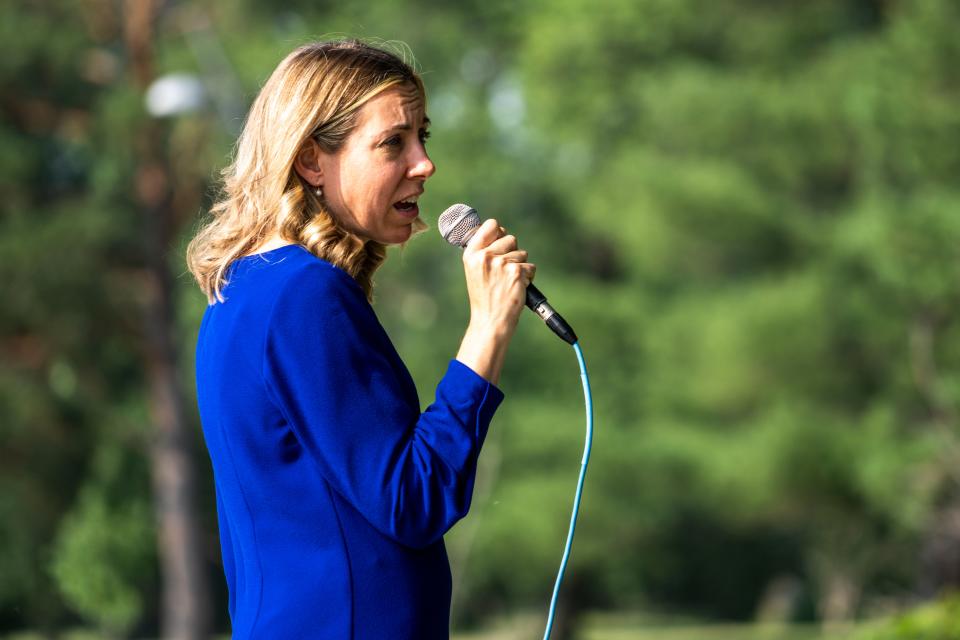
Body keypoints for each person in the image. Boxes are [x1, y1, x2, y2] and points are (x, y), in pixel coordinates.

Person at [186, 40, 535, 639]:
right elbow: (413, 499)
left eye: (423, 136)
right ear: (311, 161)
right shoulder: (304, 296)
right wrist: (488, 329)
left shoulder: (243, 289)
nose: (424, 163)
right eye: (393, 143)